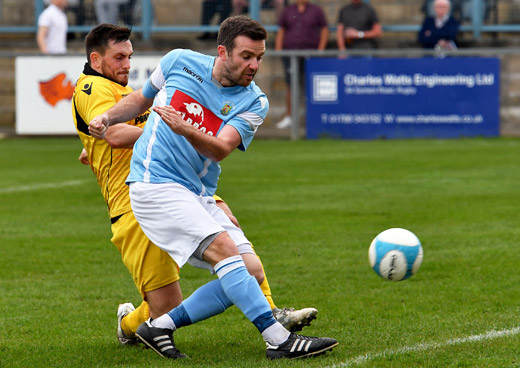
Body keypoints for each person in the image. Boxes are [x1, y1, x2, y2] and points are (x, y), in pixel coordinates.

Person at [88, 16, 338, 360]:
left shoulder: (255, 102)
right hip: (153, 185)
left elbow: (220, 148)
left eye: (260, 58)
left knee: (249, 270)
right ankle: (278, 339)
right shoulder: (179, 61)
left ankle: (159, 326)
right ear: (223, 52)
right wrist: (109, 117)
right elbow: (141, 101)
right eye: (247, 56)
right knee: (224, 250)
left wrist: (183, 127)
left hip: (197, 192)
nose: (254, 65)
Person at [274, 0, 328, 129]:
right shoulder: (288, 11)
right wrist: (278, 48)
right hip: (290, 54)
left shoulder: (316, 10)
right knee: (290, 84)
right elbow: (282, 30)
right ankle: (289, 116)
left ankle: (312, 117)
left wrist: (320, 50)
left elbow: (325, 29)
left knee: (311, 85)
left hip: (310, 55)